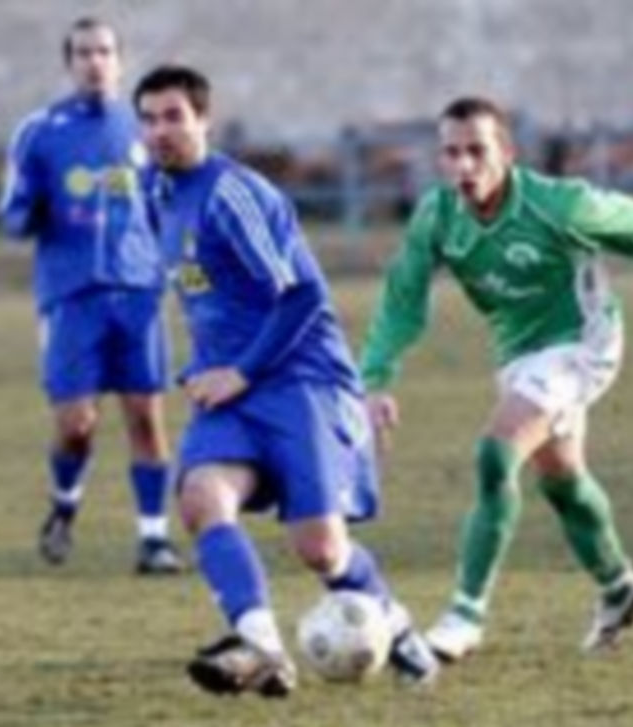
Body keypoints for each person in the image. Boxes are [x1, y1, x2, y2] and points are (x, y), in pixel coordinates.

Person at [359, 97, 633, 661]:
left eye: (477, 151)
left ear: (507, 151)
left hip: (584, 344)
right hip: (520, 355)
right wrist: (376, 379)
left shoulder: (562, 205)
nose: (464, 166)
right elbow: (403, 300)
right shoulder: (437, 215)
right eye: (451, 153)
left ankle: (465, 615)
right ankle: (619, 588)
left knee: (495, 454)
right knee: (562, 480)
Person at [132, 64, 439, 697]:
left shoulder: (233, 194)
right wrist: (209, 365)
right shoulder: (154, 193)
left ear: (203, 121)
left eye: (173, 117)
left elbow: (302, 296)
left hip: (300, 380)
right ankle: (262, 645)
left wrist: (242, 371)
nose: (160, 130)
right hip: (229, 390)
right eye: (149, 118)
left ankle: (398, 625)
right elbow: (204, 290)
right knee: (199, 498)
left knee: (322, 552)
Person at [0, 17, 182, 574]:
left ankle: (154, 540)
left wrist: (172, 262)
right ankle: (64, 505)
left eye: (104, 51)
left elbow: (169, 205)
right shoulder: (41, 131)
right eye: (83, 52)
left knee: (146, 418)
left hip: (138, 292)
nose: (94, 61)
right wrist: (25, 211)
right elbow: (12, 216)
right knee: (77, 425)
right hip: (71, 295)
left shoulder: (143, 128)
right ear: (69, 62)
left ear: (119, 61)